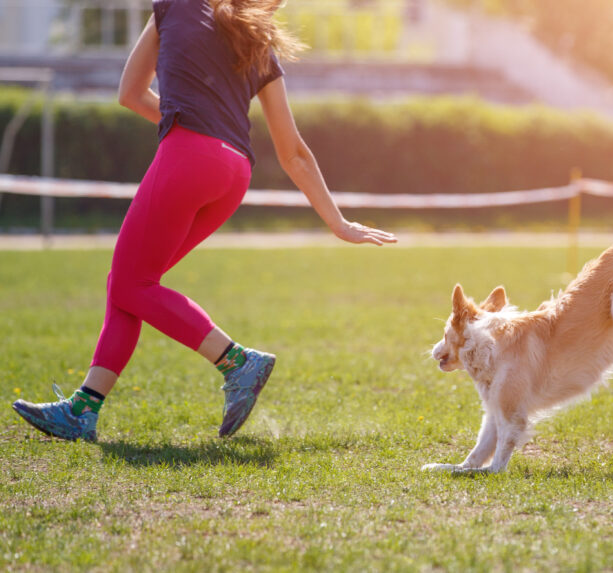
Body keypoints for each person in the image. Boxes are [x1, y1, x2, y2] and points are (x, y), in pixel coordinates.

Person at [11, 0, 397, 442]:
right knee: (131, 283)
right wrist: (338, 222)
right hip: (233, 174)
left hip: (187, 158)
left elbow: (130, 93)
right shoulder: (258, 41)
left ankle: (235, 360)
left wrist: (189, 121)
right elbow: (293, 153)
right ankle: (84, 408)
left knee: (132, 283)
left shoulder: (173, 5)